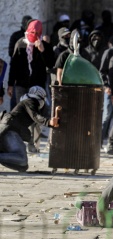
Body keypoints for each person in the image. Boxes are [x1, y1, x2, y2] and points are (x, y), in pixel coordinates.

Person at [7, 19, 55, 153]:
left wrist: (43, 50)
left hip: (37, 86)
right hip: (21, 84)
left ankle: (33, 144)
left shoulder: (45, 45)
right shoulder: (20, 44)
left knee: (35, 116)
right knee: (20, 114)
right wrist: (10, 84)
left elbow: (51, 65)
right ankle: (18, 144)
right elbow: (14, 65)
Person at [0, 86, 58, 172]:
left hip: (11, 132)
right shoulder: (30, 101)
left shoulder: (27, 104)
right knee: (22, 159)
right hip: (10, 131)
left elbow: (35, 128)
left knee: (23, 165)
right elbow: (36, 116)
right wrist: (49, 122)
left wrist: (33, 145)